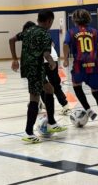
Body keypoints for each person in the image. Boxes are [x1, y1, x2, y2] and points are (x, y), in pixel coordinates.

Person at [10, 10, 67, 144]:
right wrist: (52, 64)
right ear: (49, 21)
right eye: (51, 22)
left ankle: (51, 123)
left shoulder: (28, 31)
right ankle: (29, 132)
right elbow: (47, 54)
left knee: (49, 89)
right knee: (34, 97)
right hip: (35, 67)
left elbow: (11, 40)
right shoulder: (44, 34)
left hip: (28, 67)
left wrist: (14, 59)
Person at [63, 9, 98, 131]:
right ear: (88, 18)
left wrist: (65, 59)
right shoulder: (94, 31)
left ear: (74, 20)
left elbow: (65, 44)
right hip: (94, 66)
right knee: (96, 92)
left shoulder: (71, 31)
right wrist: (95, 47)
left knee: (76, 86)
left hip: (79, 66)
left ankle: (88, 110)